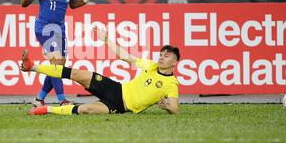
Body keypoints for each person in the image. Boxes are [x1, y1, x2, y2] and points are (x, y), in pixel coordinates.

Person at [19, 27, 180, 116]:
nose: (161, 57)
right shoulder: (151, 65)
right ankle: (32, 66)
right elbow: (124, 57)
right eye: (161, 54)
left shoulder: (171, 84)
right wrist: (106, 40)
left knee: (85, 110)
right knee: (77, 73)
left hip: (121, 106)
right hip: (116, 88)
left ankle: (46, 109)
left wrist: (167, 107)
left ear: (174, 62)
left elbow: (175, 109)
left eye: (166, 56)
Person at [20, 0, 99, 107]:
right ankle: (62, 100)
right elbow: (24, 5)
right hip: (44, 28)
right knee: (56, 63)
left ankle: (38, 99)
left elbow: (73, 5)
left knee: (59, 66)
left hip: (60, 29)